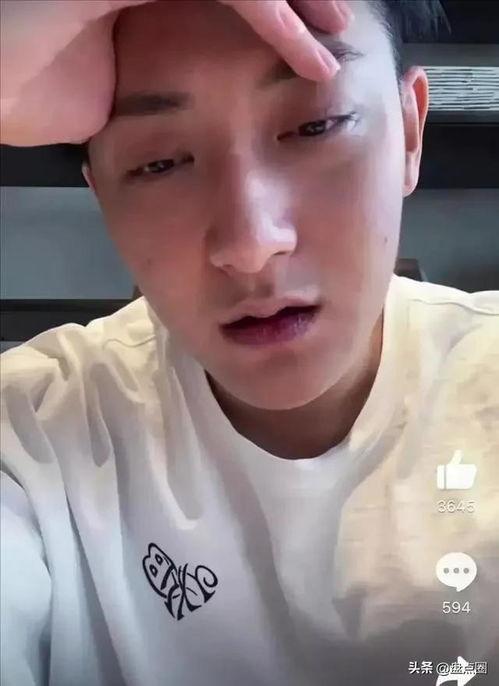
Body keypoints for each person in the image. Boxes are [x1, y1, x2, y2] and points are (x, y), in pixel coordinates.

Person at [1, 1, 498, 685]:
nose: (250, 243)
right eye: (159, 163)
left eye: (316, 125)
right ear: (101, 193)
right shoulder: (32, 434)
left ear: (409, 132)